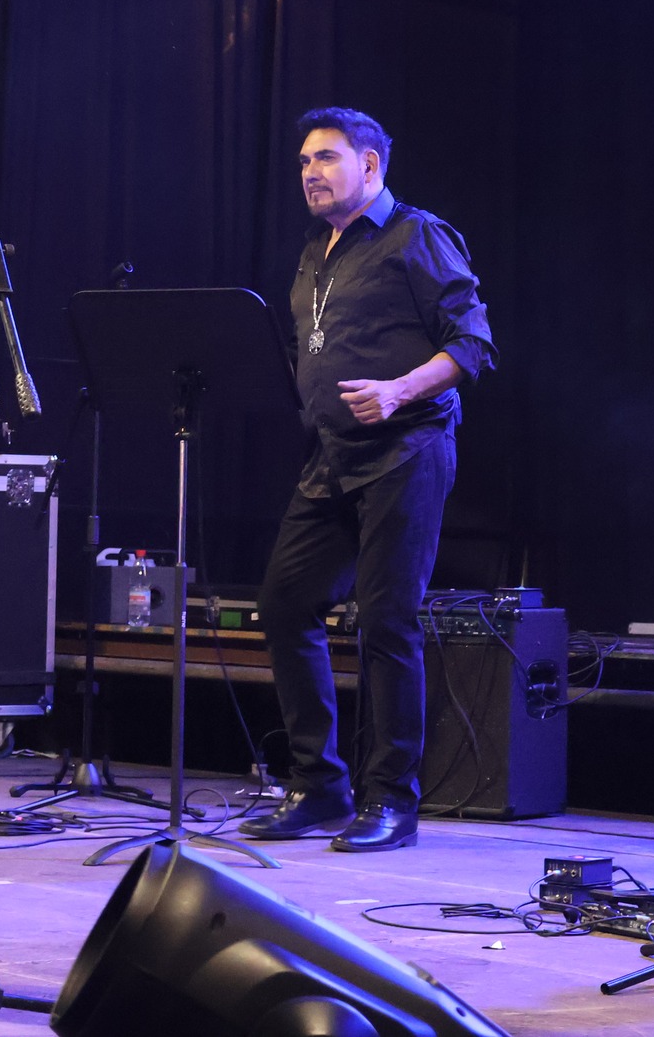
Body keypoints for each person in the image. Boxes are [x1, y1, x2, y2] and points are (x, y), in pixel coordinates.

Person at [239, 107, 497, 853]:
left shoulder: (418, 235)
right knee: (285, 603)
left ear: (372, 165)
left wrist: (397, 390)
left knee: (387, 621)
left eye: (325, 157)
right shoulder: (315, 250)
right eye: (303, 162)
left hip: (405, 450)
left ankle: (391, 799)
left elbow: (473, 343)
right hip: (332, 460)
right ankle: (319, 787)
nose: (310, 173)